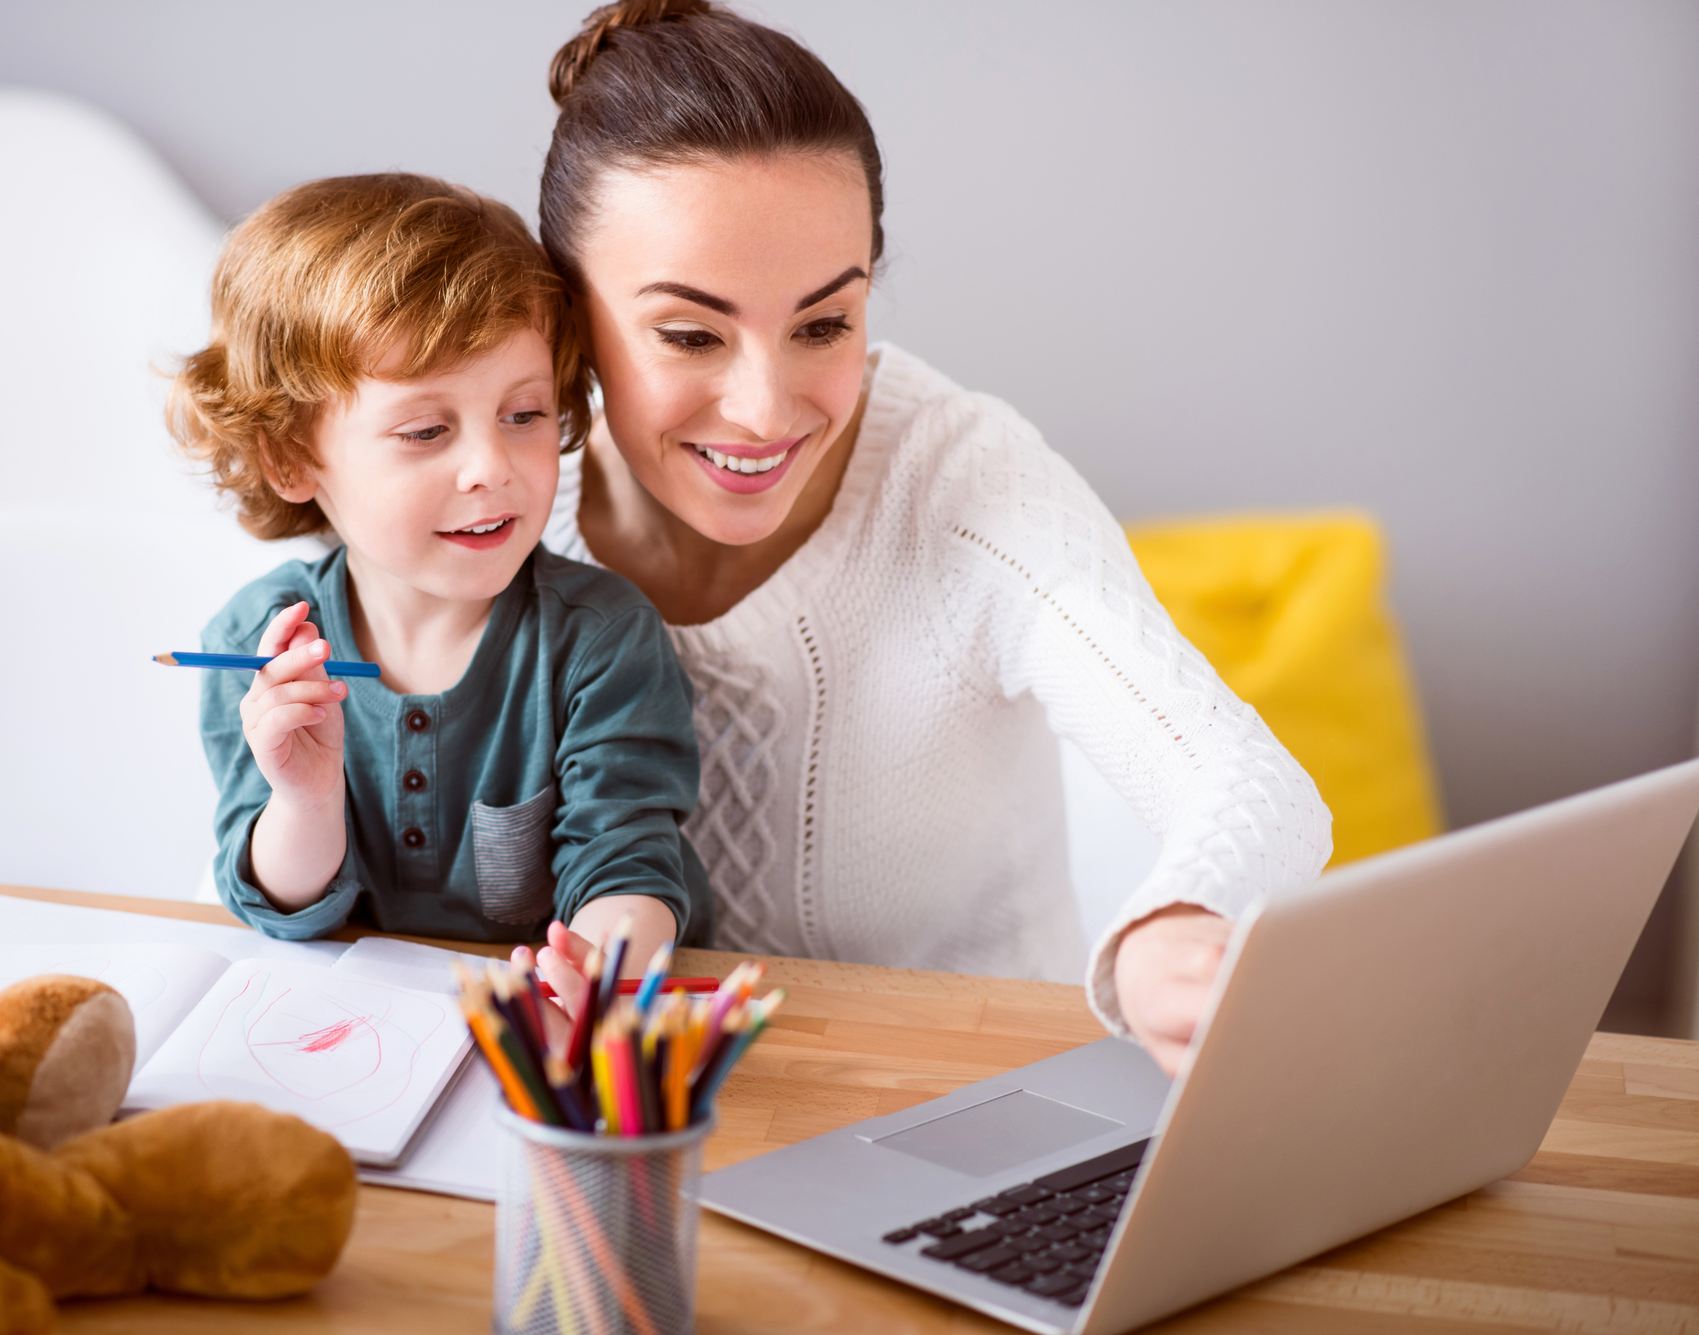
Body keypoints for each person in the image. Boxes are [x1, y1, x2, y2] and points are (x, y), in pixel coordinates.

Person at [526, 0, 1334, 1075]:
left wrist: (1171, 927)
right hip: (659, 1118)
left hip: (984, 1102)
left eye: (824, 324)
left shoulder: (963, 479)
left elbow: (1252, 785)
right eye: (688, 334)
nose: (766, 411)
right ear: (568, 316)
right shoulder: (503, 494)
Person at [167, 173, 709, 973]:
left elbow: (625, 860)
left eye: (523, 414)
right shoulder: (258, 644)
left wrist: (598, 972)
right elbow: (281, 910)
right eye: (425, 430)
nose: (491, 466)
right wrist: (305, 798)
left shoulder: (598, 639)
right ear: (290, 457)